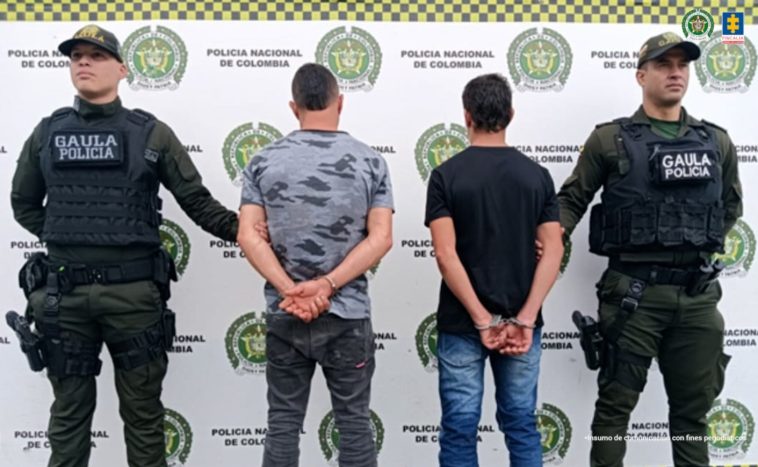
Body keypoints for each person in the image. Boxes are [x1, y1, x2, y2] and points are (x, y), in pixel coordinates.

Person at [10, 25, 238, 467]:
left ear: (122, 69)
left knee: (144, 418)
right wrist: (68, 239)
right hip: (65, 297)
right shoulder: (47, 133)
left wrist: (251, 233)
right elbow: (23, 204)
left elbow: (198, 204)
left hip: (133, 297)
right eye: (76, 55)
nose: (83, 62)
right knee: (68, 421)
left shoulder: (151, 134)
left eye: (95, 55)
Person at [557, 32, 742, 466]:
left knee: (692, 416)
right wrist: (546, 242)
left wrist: (689, 237)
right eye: (663, 64)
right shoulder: (609, 139)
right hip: (633, 296)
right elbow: (570, 201)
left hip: (696, 298)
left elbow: (730, 207)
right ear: (642, 75)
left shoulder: (716, 142)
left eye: (682, 64)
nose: (675, 72)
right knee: (613, 413)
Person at [237, 62, 393, 467]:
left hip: (286, 314)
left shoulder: (262, 161)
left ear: (294, 107)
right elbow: (381, 238)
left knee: (283, 424)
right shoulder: (371, 162)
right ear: (339, 102)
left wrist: (291, 290)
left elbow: (248, 234)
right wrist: (327, 286)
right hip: (348, 316)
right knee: (354, 426)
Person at [425, 73, 564, 467]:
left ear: (466, 116)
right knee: (522, 425)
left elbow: (445, 254)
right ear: (511, 114)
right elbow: (553, 250)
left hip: (462, 324)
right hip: (522, 325)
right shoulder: (537, 176)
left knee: (458, 429)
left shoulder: (445, 175)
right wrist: (525, 317)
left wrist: (482, 321)